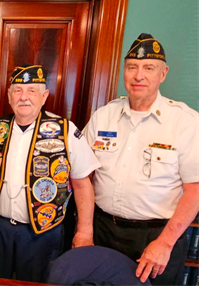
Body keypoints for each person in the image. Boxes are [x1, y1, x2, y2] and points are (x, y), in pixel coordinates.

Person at [84, 33, 199, 286]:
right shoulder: (103, 116)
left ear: (163, 73)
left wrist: (165, 243)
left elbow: (195, 190)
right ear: (124, 71)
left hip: (155, 236)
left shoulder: (185, 122)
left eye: (149, 68)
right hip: (103, 229)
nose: (139, 75)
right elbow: (82, 176)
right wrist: (84, 228)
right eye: (132, 67)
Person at [0, 64, 100, 283]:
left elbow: (83, 184)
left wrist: (85, 231)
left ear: (44, 96)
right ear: (9, 96)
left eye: (31, 91)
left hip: (43, 233)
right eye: (17, 90)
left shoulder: (64, 130)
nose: (23, 97)